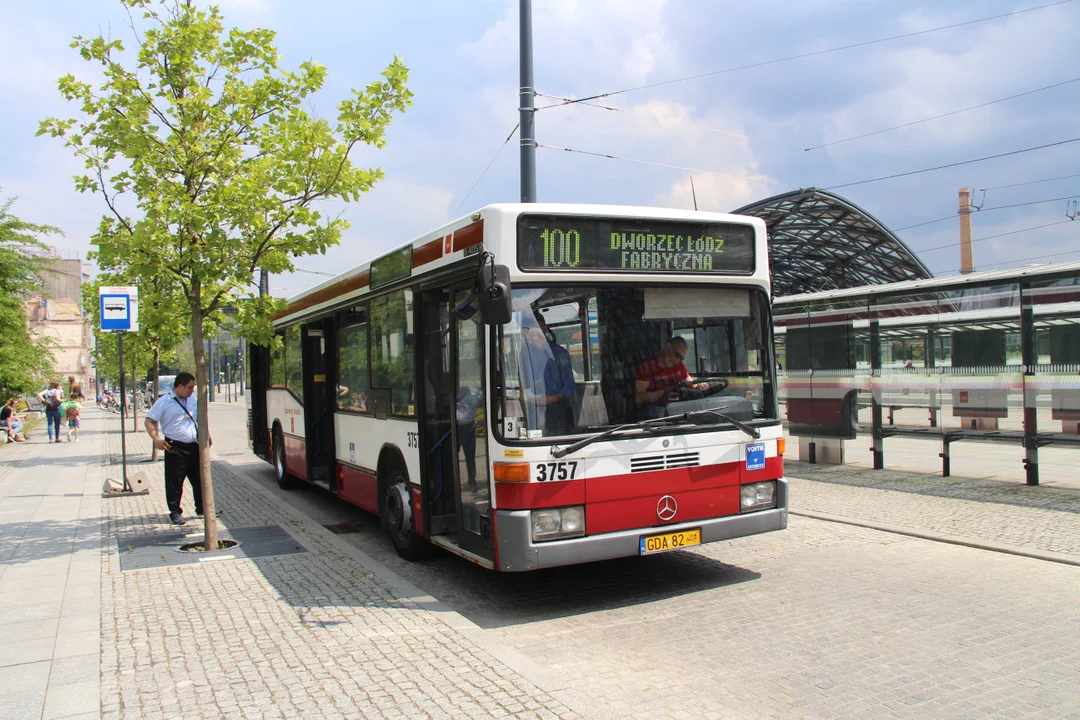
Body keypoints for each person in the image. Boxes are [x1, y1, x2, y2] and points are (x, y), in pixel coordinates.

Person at [144, 372, 211, 525]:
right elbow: (149, 421)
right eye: (190, 387)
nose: (192, 390)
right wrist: (156, 439)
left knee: (199, 478)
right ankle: (175, 511)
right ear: (180, 386)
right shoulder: (164, 401)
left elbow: (199, 419)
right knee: (175, 481)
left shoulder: (192, 400)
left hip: (194, 445)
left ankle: (201, 507)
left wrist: (207, 434)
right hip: (175, 447)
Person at [519, 314, 576, 433]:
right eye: (530, 333)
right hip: (532, 410)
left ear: (544, 329)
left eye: (536, 332)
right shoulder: (524, 354)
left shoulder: (560, 353)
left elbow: (569, 385)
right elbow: (524, 382)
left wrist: (554, 397)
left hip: (556, 409)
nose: (534, 337)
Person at [635, 337, 710, 419]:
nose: (678, 360)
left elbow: (690, 383)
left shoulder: (678, 366)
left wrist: (700, 386)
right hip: (655, 408)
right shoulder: (647, 366)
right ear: (667, 348)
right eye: (677, 355)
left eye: (681, 358)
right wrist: (663, 394)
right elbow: (639, 398)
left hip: (676, 406)